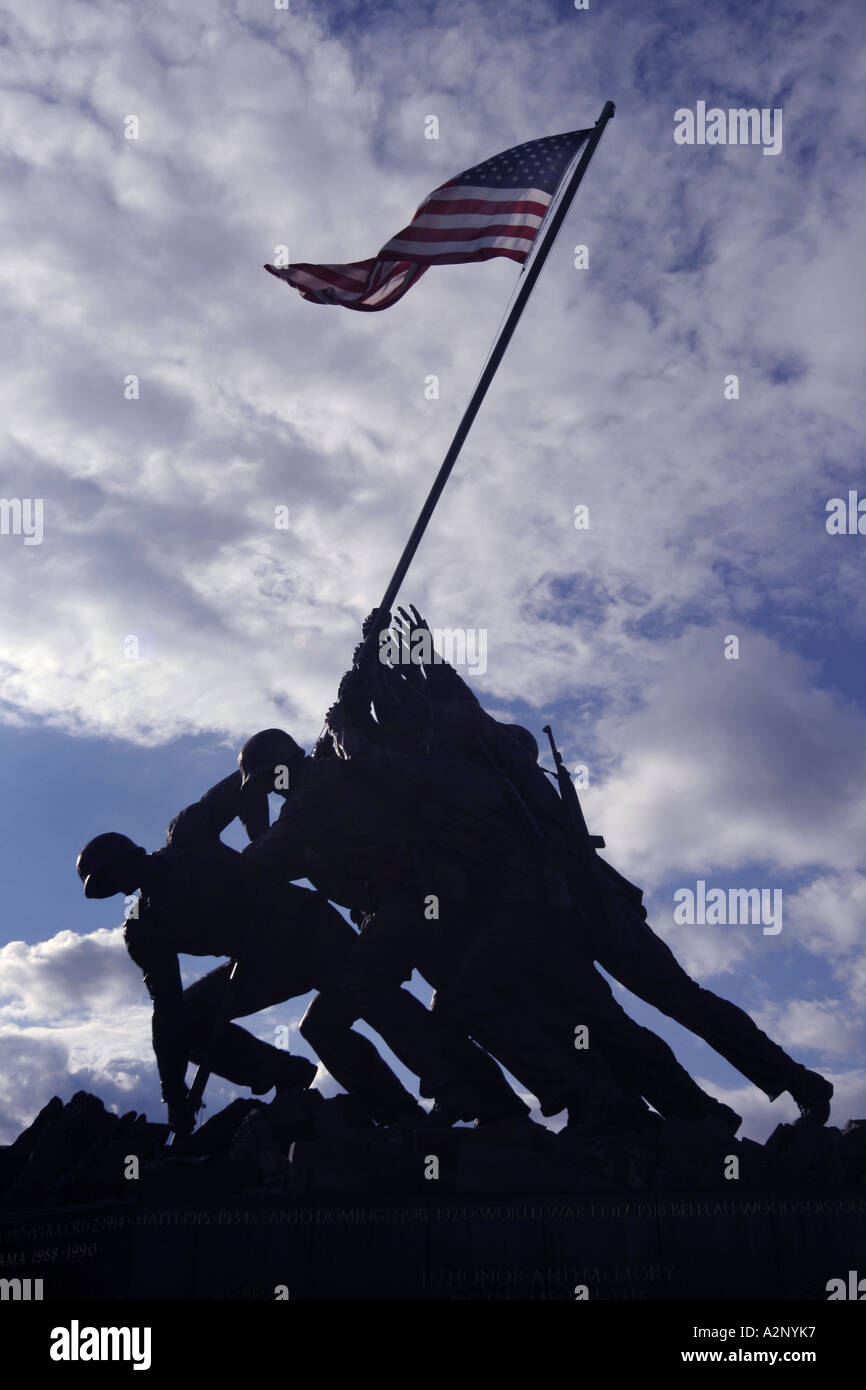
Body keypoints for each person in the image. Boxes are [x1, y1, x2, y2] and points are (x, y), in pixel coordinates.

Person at [76, 768, 421, 1134]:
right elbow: (167, 1011)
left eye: (115, 873)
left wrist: (262, 847)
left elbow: (250, 778)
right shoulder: (144, 927)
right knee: (189, 1020)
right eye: (108, 884)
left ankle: (411, 1109)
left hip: (311, 933)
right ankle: (285, 1074)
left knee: (341, 1017)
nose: (119, 884)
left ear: (134, 855)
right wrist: (174, 1093)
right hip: (264, 963)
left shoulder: (189, 834)